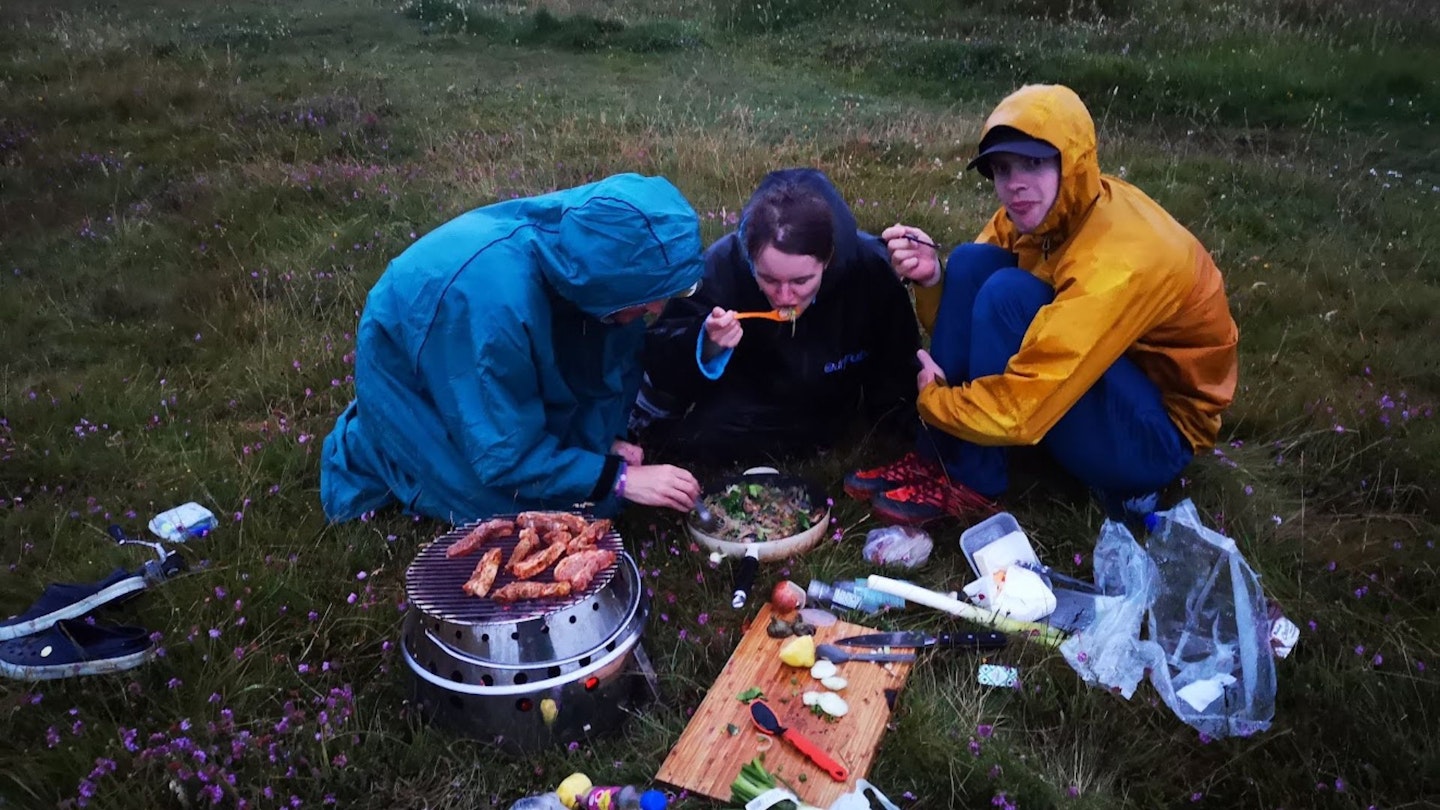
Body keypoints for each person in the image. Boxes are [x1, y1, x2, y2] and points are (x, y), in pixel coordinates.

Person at [845, 84, 1239, 525]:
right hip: (1099, 379)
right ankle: (938, 455)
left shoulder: (1122, 257)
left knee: (1008, 295)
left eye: (1034, 163)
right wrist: (935, 279)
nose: (1014, 184)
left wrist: (936, 403)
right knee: (973, 263)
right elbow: (971, 327)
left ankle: (973, 481)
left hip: (1154, 438)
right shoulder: (1040, 214)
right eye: (1002, 168)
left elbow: (1024, 413)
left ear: (1072, 164)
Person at [320, 173, 706, 524]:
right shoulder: (495, 310)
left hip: (481, 338)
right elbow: (504, 454)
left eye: (670, 292)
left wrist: (607, 441)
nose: (657, 309)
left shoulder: (592, 263)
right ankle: (381, 447)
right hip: (421, 366)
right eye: (652, 296)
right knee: (559, 515)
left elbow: (602, 371)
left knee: (586, 490)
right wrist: (617, 478)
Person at [632, 168, 921, 464]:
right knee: (691, 440)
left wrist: (900, 432)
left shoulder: (869, 267)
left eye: (800, 282)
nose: (784, 297)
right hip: (753, 400)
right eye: (769, 279)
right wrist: (705, 342)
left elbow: (898, 360)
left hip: (835, 401)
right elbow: (660, 358)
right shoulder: (721, 266)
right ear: (750, 257)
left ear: (828, 258)